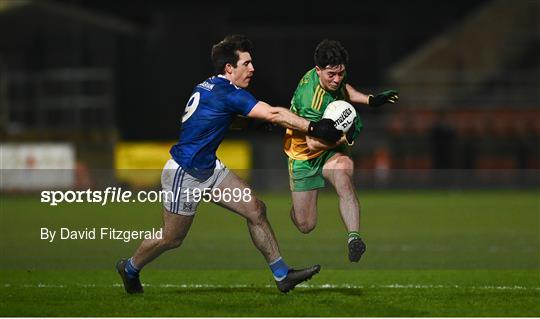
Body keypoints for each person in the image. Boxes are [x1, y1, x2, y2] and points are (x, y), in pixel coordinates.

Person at [116, 35, 343, 294]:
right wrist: (314, 127)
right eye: (246, 63)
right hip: (185, 172)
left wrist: (251, 122)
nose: (252, 68)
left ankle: (282, 275)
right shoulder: (227, 92)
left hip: (209, 169)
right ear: (229, 68)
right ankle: (130, 268)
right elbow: (274, 112)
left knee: (256, 209)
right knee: (172, 238)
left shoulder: (210, 86)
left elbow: (217, 118)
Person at [283, 39, 398, 262]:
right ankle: (297, 210)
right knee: (306, 224)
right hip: (304, 154)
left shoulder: (334, 76)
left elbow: (345, 91)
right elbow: (313, 144)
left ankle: (354, 238)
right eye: (331, 75)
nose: (337, 79)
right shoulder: (310, 100)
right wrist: (346, 136)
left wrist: (371, 100)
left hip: (329, 148)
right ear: (318, 71)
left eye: (341, 73)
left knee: (344, 172)